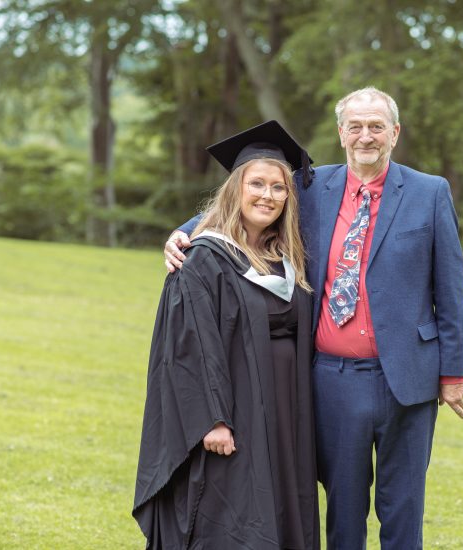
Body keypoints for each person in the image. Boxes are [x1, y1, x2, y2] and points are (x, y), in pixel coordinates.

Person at [165, 87, 463, 549]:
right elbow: (244, 202)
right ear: (341, 133)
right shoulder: (311, 187)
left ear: (394, 133)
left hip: (408, 378)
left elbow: (451, 290)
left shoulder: (429, 192)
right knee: (343, 509)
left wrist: (454, 373)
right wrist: (183, 231)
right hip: (332, 378)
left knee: (403, 507)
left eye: (376, 126)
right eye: (355, 126)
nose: (365, 136)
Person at [133, 120, 320, 550]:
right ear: (236, 189)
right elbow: (189, 349)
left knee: (279, 502)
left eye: (278, 187)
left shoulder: (284, 258)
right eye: (257, 184)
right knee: (233, 512)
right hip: (232, 411)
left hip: (282, 410)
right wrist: (213, 420)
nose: (267, 195)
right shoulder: (202, 259)